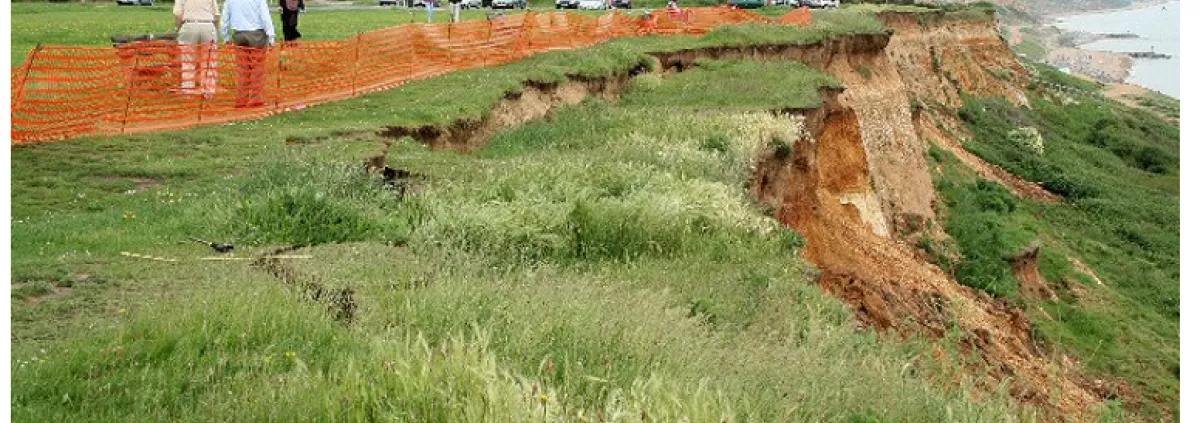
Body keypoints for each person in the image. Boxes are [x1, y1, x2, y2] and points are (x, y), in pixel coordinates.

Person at [221, 0, 276, 107]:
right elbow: (265, 16)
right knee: (257, 68)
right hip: (257, 34)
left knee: (242, 68)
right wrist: (271, 35)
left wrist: (225, 36)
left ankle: (242, 98)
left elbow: (225, 17)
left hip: (239, 34)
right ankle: (256, 98)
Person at [173, 0, 220, 97]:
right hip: (208, 25)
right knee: (209, 61)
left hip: (189, 25)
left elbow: (178, 15)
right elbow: (216, 15)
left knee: (187, 61)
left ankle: (187, 92)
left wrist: (178, 29)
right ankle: (208, 91)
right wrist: (215, 30)